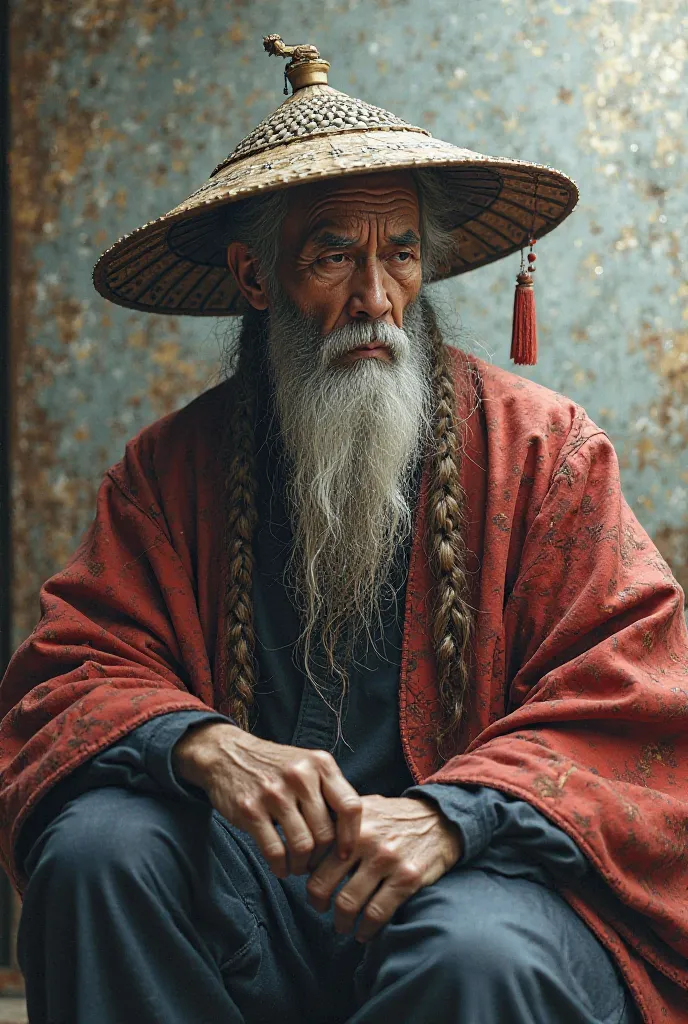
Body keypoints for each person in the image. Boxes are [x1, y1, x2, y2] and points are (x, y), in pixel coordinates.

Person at [1, 34, 686, 1024]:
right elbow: (68, 671)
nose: (376, 300)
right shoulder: (171, 470)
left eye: (399, 253)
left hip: (478, 887)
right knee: (97, 851)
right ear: (252, 275)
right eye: (332, 255)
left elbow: (636, 695)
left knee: (473, 951)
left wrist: (454, 815)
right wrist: (199, 743)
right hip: (257, 903)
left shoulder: (545, 452)